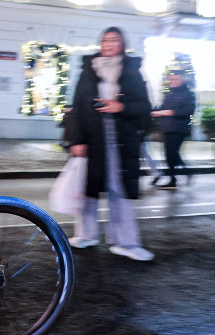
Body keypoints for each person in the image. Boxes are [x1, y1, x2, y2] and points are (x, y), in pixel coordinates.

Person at [67, 27, 154, 261]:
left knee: (120, 189)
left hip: (120, 140)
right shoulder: (89, 69)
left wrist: (121, 107)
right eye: (105, 40)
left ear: (122, 44)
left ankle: (126, 242)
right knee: (88, 188)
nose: (108, 44)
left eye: (114, 40)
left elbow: (145, 108)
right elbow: (77, 107)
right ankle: (86, 234)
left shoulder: (132, 71)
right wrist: (76, 140)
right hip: (92, 139)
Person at [151, 68, 196, 190]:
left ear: (182, 80)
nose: (172, 82)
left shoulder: (188, 94)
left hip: (178, 129)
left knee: (171, 153)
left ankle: (173, 180)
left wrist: (170, 112)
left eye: (175, 79)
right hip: (167, 128)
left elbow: (188, 110)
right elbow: (160, 108)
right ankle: (185, 173)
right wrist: (155, 112)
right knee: (172, 153)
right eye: (170, 79)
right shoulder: (169, 94)